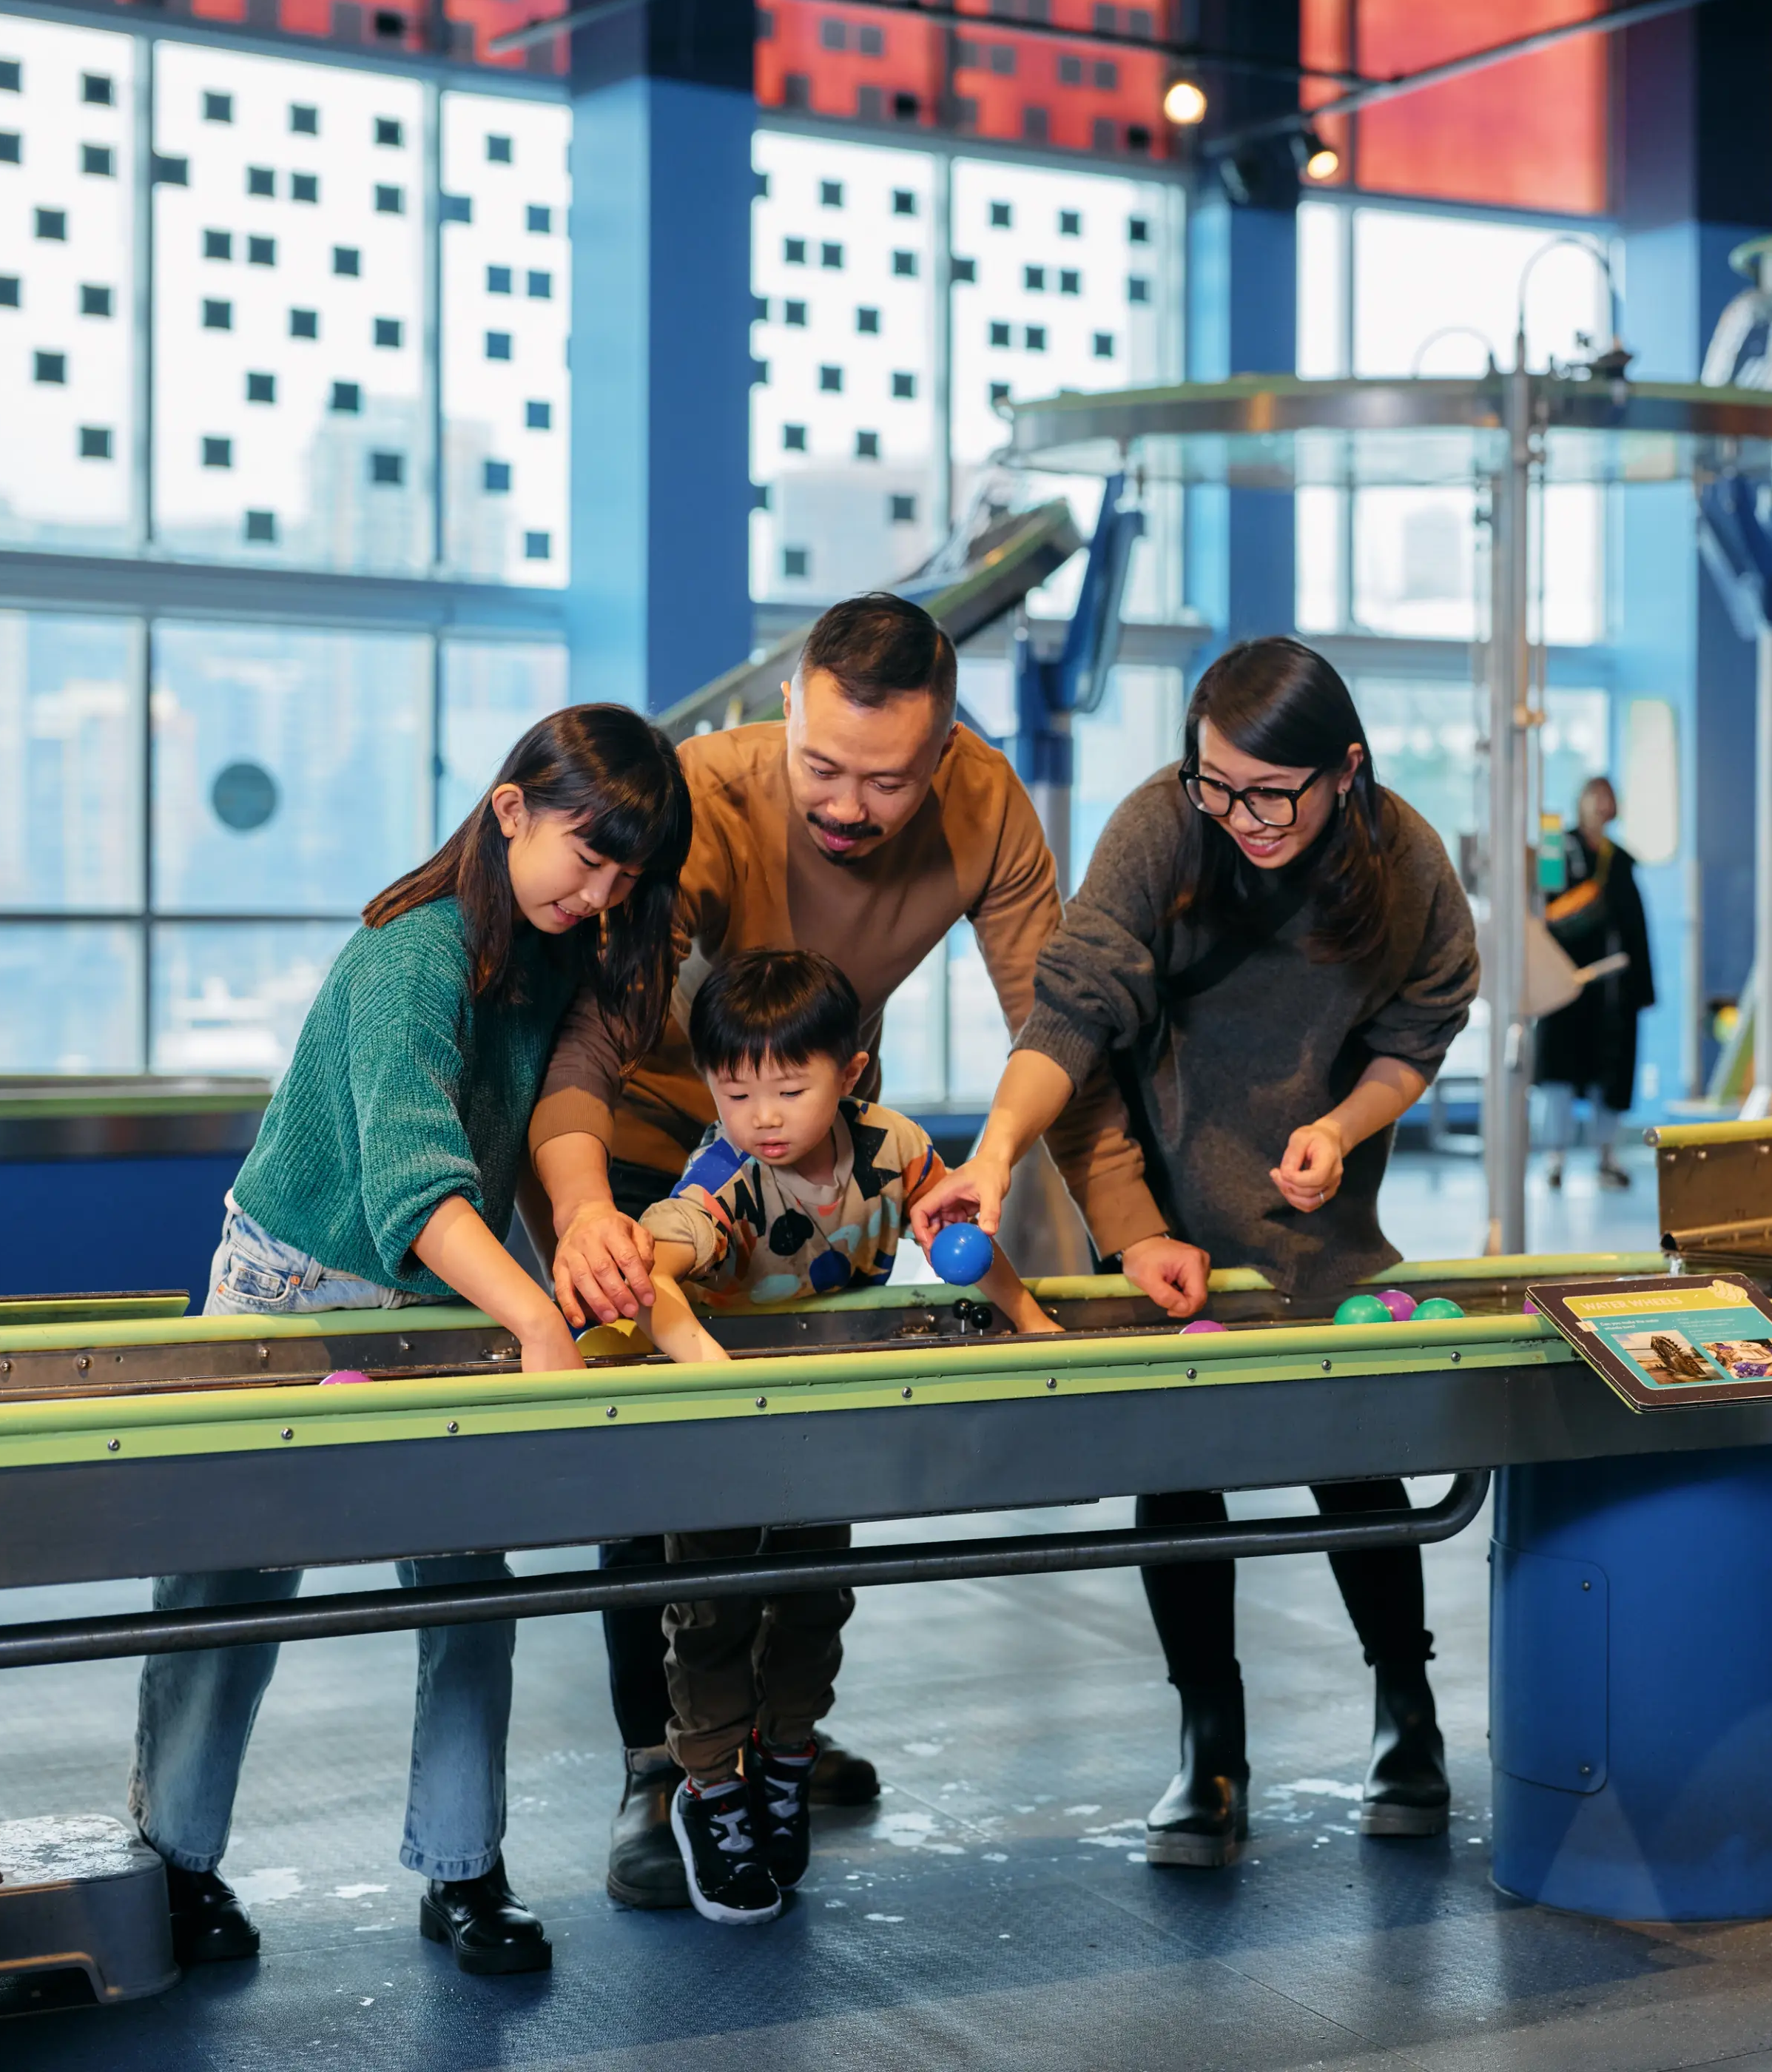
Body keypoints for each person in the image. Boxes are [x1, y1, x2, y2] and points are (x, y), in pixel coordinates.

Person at [525, 591, 1199, 1908]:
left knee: (805, 1454)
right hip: (663, 1139)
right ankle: (660, 1767)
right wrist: (584, 1209)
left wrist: (1134, 1233)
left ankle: (775, 1728)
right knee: (663, 1473)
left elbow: (1058, 1028)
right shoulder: (707, 793)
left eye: (885, 781)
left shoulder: (987, 805)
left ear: (942, 752)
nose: (846, 803)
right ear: (787, 710)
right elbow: (593, 1035)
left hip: (827, 1142)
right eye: (821, 766)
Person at [132, 704, 691, 1977]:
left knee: (466, 1588)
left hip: (443, 1291)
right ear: (509, 812)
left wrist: (574, 1259)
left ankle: (462, 1871)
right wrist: (540, 1313)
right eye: (583, 856)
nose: (599, 893)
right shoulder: (409, 955)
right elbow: (413, 1189)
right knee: (231, 1585)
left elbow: (542, 1140)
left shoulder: (564, 954)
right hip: (296, 1281)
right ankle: (175, 1863)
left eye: (625, 876)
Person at [911, 637, 1479, 1869]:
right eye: (1218, 785)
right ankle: (1208, 1744)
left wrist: (1338, 1126)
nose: (1242, 817)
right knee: (1180, 1472)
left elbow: (1423, 1027)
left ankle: (1408, 1713)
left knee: (1355, 1462)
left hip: (1319, 1218)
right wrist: (998, 1154)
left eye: (1272, 793)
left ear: (1347, 771)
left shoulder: (1408, 860)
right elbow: (1070, 1011)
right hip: (1161, 1217)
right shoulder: (1163, 830)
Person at [637, 948, 1054, 1924]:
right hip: (722, 1431)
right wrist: (704, 1363)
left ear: (850, 1074)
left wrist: (1032, 1327)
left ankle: (785, 1760)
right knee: (712, 1612)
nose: (764, 1117)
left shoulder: (892, 1146)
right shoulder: (724, 1177)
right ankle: (710, 1790)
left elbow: (959, 1232)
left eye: (790, 1088)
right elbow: (646, 1267)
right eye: (736, 1092)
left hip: (827, 1423)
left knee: (814, 1598)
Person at [1536, 775, 1654, 1189]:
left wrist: (1641, 987)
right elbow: (1542, 909)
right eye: (1595, 796)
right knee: (1560, 1071)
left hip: (1611, 988)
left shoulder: (1619, 861)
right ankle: (1555, 1158)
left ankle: (1606, 1154)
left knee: (1612, 1070)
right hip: (1563, 982)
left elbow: (1636, 929)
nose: (1602, 805)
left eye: (1609, 798)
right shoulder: (1556, 849)